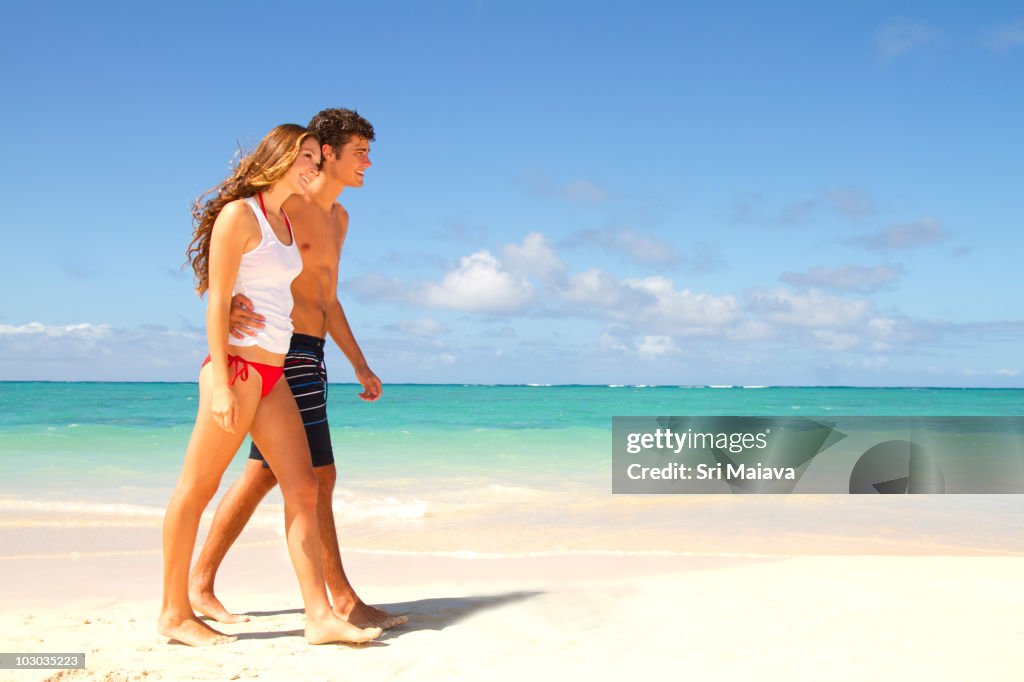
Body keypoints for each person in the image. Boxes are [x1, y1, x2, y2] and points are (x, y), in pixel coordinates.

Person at [159, 124, 382, 646]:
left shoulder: (285, 220)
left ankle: (319, 617)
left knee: (303, 487)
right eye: (305, 156)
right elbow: (216, 294)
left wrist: (358, 363)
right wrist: (218, 379)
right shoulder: (243, 213)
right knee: (197, 489)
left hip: (274, 371)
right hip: (235, 369)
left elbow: (299, 293)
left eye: (313, 156)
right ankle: (174, 610)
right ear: (281, 158)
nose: (312, 166)